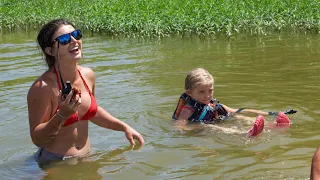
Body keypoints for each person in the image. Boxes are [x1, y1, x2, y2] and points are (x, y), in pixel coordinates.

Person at [27, 19, 144, 166]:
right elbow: (37, 139)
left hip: (87, 158)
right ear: (50, 51)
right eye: (64, 39)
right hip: (55, 163)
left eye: (76, 34)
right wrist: (62, 115)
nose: (74, 41)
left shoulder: (88, 75)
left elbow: (92, 112)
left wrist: (124, 127)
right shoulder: (42, 87)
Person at [172, 68, 293, 136]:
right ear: (189, 93)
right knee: (212, 127)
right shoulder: (188, 110)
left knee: (239, 116)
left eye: (210, 90)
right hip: (202, 127)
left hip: (217, 119)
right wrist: (196, 127)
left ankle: (271, 125)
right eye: (202, 92)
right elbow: (179, 126)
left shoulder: (212, 104)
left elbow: (237, 110)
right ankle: (245, 133)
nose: (207, 96)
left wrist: (271, 113)